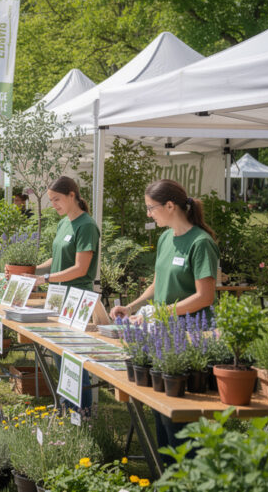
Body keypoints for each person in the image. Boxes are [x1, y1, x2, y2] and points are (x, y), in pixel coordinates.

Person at [110, 179, 219, 460]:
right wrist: (132, 307)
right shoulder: (165, 238)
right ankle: (168, 475)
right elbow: (157, 283)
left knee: (180, 420)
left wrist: (161, 313)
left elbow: (205, 296)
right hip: (162, 335)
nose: (149, 214)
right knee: (160, 412)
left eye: (151, 208)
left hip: (190, 338)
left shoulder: (201, 243)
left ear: (170, 206)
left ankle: (189, 476)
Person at [22, 176, 100, 411]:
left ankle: (81, 412)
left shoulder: (86, 226)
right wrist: (31, 271)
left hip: (77, 297)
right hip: (57, 295)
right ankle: (66, 408)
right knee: (58, 353)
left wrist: (45, 279)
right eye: (51, 200)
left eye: (57, 199)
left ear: (72, 195)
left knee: (73, 356)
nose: (53, 204)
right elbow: (57, 259)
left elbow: (80, 268)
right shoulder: (64, 223)